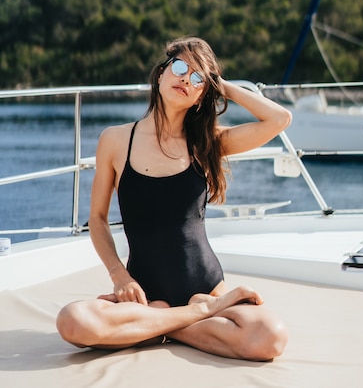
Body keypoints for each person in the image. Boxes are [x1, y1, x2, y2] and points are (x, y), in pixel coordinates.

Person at [57, 36, 292, 361]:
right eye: (180, 67)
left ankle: (157, 326)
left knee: (270, 338)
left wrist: (221, 85)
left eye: (198, 78)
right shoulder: (115, 140)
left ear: (201, 97)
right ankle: (187, 318)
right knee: (72, 321)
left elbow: (280, 120)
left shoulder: (208, 143)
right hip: (143, 294)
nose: (186, 78)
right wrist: (119, 275)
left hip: (205, 288)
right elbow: (97, 219)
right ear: (160, 74)